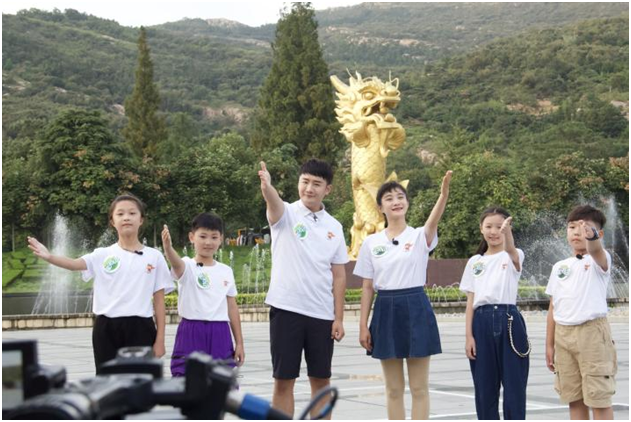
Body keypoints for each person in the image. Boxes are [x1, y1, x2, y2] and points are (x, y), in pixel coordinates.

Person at [27, 193, 174, 374]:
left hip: (141, 327)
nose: (126, 217)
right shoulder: (102, 254)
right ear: (112, 221)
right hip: (106, 328)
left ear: (141, 219)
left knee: (141, 381)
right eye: (120, 214)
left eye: (132, 213)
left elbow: (159, 301)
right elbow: (74, 264)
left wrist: (160, 340)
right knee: (107, 381)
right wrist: (49, 257)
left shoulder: (154, 256)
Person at [354, 172, 452, 420]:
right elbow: (367, 287)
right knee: (394, 389)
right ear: (380, 207)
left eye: (400, 197)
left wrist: (443, 196)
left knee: (419, 388)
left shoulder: (419, 236)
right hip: (385, 309)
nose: (396, 201)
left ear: (407, 202)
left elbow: (433, 222)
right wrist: (363, 325)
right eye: (389, 198)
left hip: (416, 307)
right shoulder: (371, 243)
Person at [258, 158, 348, 419]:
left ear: (327, 189)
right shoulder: (286, 213)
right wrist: (267, 187)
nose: (309, 188)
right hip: (286, 310)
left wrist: (338, 317)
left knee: (321, 382)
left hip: (321, 314)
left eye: (316, 184)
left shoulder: (335, 227)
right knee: (283, 380)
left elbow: (339, 275)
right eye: (305, 182)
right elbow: (273, 201)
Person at [545, 205, 617, 420]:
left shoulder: (599, 259)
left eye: (584, 227)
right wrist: (550, 344)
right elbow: (553, 307)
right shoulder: (559, 267)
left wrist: (592, 237)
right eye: (572, 227)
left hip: (592, 334)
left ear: (599, 233)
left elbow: (595, 250)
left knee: (598, 398)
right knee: (573, 398)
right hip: (563, 335)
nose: (577, 232)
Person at [460, 207, 529, 420]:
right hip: (480, 322)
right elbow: (470, 301)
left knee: (514, 386)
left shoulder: (513, 255)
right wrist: (469, 336)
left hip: (509, 320)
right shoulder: (475, 262)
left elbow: (512, 251)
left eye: (499, 227)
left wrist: (508, 234)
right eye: (488, 226)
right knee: (484, 387)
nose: (493, 231)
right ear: (481, 228)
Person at [162, 213, 244, 377]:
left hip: (220, 332)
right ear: (192, 237)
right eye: (203, 236)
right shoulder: (187, 265)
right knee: (186, 380)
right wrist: (168, 248)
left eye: (214, 237)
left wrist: (239, 343)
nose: (208, 242)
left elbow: (232, 308)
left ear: (221, 239)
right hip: (191, 330)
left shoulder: (226, 271)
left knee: (222, 381)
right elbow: (177, 264)